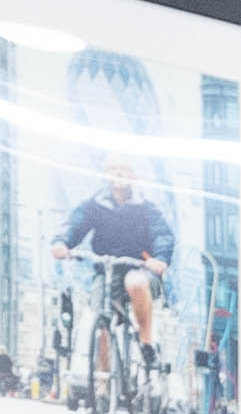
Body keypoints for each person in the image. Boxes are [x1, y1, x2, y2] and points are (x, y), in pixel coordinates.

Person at [50, 158, 175, 369]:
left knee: (135, 283)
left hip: (141, 268)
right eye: (114, 169)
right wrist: (62, 242)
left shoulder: (147, 209)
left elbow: (161, 234)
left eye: (125, 169)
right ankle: (103, 383)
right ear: (106, 175)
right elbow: (75, 223)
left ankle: (146, 345)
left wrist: (160, 259)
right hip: (107, 271)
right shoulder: (94, 206)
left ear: (134, 177)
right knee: (100, 322)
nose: (119, 174)